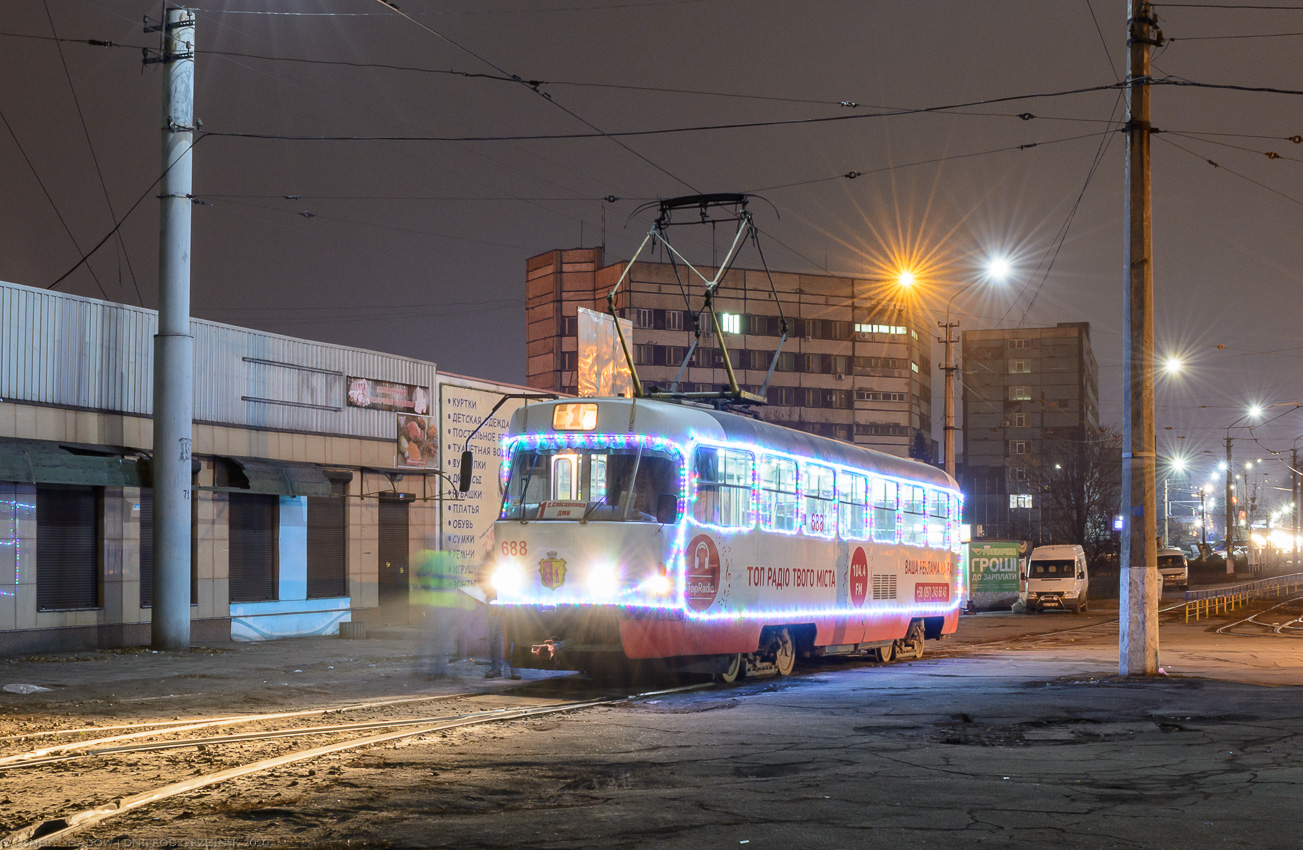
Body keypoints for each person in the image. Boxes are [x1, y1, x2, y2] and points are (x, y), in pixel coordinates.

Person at [412, 547, 474, 678]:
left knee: (432, 639)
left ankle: (427, 667)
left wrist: (426, 587)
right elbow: (462, 583)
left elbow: (420, 572)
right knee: (441, 640)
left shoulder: (435, 559)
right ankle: (438, 669)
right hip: (446, 607)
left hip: (436, 605)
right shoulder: (452, 561)